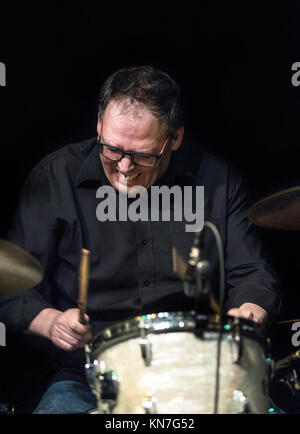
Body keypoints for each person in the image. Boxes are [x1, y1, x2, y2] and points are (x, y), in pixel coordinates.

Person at [0, 65, 281, 414]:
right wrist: (52, 322)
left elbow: (253, 272)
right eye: (112, 149)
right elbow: (10, 288)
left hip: (199, 369)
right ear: (99, 125)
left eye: (144, 155)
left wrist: (249, 311)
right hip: (88, 378)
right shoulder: (55, 177)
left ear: (175, 137)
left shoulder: (216, 179)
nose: (124, 167)